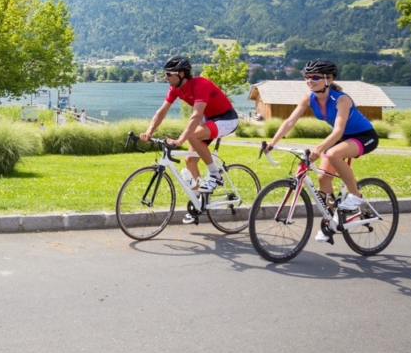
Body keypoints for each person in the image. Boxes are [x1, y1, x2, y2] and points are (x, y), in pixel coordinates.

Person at [264, 59, 379, 243]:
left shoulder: (342, 99)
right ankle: (332, 220)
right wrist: (272, 143)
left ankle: (355, 196)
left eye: (315, 77)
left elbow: (338, 130)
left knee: (333, 154)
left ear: (329, 79)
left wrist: (319, 148)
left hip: (364, 136)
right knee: (322, 177)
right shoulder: (309, 98)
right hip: (342, 138)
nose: (310, 80)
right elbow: (290, 122)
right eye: (307, 77)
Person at [140, 55, 239, 224]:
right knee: (189, 161)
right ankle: (199, 203)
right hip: (210, 121)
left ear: (181, 74)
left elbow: (196, 115)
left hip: (226, 119)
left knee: (192, 134)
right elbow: (162, 111)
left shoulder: (201, 84)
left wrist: (179, 141)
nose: (166, 77)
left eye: (169, 74)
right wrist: (149, 131)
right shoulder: (175, 88)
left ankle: (215, 176)